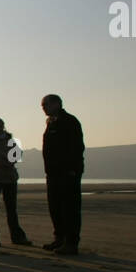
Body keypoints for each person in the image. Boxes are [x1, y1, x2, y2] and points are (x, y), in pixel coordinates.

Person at [41, 94, 84, 254]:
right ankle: (59, 238)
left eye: (46, 104)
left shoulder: (69, 121)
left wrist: (72, 169)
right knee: (55, 207)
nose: (44, 108)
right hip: (53, 173)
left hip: (67, 173)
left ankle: (71, 243)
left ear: (57, 104)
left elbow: (76, 147)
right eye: (42, 105)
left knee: (70, 209)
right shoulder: (51, 122)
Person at [0, 117, 30, 247]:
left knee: (12, 208)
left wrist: (8, 161)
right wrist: (7, 161)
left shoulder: (12, 140)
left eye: (1, 125)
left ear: (4, 126)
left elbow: (17, 156)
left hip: (10, 178)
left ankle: (17, 237)